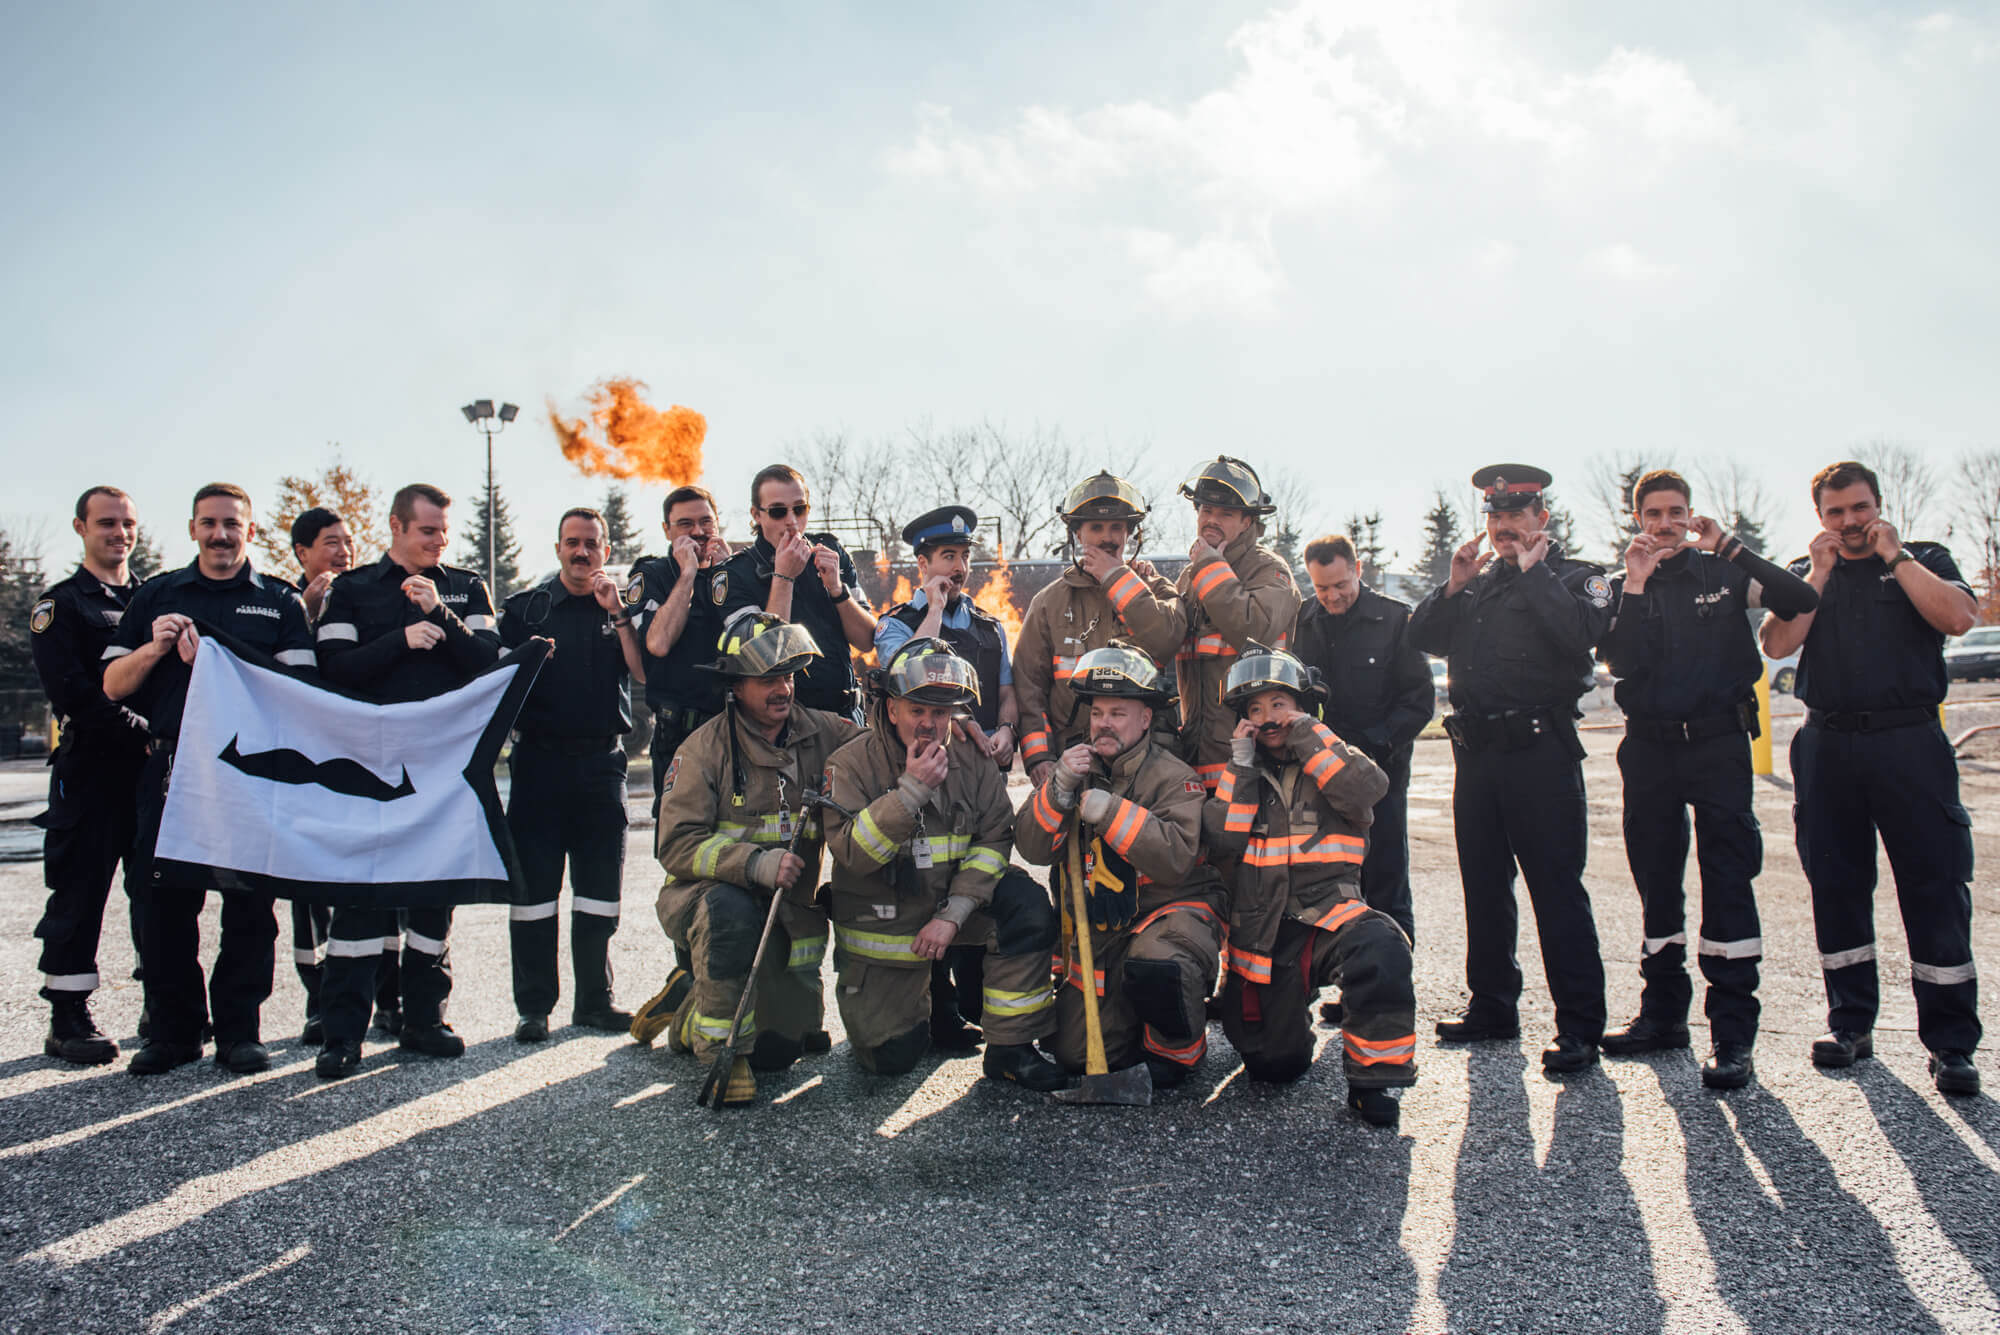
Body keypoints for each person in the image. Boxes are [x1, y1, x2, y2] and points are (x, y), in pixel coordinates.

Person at [1759, 460, 1982, 1096]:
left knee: (1935, 886)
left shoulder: (1924, 556)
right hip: (1828, 745)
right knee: (1836, 885)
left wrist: (1897, 557)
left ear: (1878, 506)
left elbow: (1959, 618)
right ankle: (1850, 1025)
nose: (1850, 521)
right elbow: (1776, 644)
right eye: (1836, 512)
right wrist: (1817, 573)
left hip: (1909, 743)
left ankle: (1951, 1044)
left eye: (1860, 508)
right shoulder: (1806, 571)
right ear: (1820, 517)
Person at [1598, 470, 1820, 1089]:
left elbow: (1800, 599)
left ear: (1691, 514)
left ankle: (1733, 1035)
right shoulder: (1622, 585)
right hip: (1649, 748)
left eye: (1676, 512)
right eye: (1654, 514)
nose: (1665, 524)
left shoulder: (1723, 571)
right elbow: (1619, 660)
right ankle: (1663, 1017)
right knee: (1656, 880)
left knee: (1727, 878)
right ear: (1639, 520)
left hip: (1719, 743)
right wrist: (1635, 582)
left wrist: (1729, 546)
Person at [102, 483, 316, 1075]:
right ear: (192, 528)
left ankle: (240, 1032)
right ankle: (174, 1033)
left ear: (251, 531)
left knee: (250, 906)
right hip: (172, 767)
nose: (221, 535)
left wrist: (219, 661)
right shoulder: (157, 595)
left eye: (232, 524)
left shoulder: (280, 601)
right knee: (161, 903)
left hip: (251, 772)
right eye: (209, 523)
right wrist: (153, 649)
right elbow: (113, 685)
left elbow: (302, 693)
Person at [1407, 464, 1611, 1073]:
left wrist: (1533, 571)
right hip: (1477, 756)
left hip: (1540, 755)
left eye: (1516, 515)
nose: (1503, 526)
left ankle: (1580, 1026)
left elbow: (1579, 634)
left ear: (1541, 518)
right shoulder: (1478, 582)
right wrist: (1452, 585)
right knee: (1485, 887)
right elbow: (1423, 636)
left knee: (1556, 891)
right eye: (1495, 516)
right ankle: (1493, 1005)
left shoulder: (1575, 577)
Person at [311, 483, 500, 1079]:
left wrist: (439, 614)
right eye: (427, 531)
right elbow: (331, 671)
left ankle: (425, 1020)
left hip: (444, 771)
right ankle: (343, 1035)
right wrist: (400, 640)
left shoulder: (466, 586)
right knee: (358, 904)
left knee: (432, 902)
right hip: (368, 768)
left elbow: (491, 664)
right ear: (395, 526)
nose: (439, 541)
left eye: (443, 530)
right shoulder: (353, 589)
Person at [821, 639, 1066, 1090]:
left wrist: (954, 913)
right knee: (891, 1057)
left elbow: (994, 838)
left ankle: (1011, 1048)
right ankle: (934, 1002)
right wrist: (911, 791)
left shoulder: (972, 756)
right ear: (891, 708)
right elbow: (853, 854)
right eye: (916, 710)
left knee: (1026, 905)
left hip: (951, 917)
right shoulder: (852, 765)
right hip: (890, 931)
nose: (929, 724)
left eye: (940, 712)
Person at [651, 611, 859, 1104]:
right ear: (736, 686)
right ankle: (718, 1047)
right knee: (730, 912)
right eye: (767, 680)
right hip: (709, 903)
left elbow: (880, 751)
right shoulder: (703, 750)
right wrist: (754, 864)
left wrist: (954, 733)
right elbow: (676, 844)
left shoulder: (824, 732)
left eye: (788, 676)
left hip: (784, 913)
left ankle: (691, 996)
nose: (782, 689)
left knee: (783, 1048)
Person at [1203, 647, 1414, 1127]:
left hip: (1329, 917)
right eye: (1256, 709)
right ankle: (1293, 1017)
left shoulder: (1332, 760)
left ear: (1304, 706)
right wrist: (1239, 767)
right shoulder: (1243, 773)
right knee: (1274, 1067)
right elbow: (1223, 840)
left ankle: (1373, 1081)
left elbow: (1367, 791)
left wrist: (1310, 735)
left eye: (1279, 704)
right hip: (1265, 934)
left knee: (1381, 947)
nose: (1268, 718)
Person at [1013, 644, 1224, 1088]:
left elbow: (1175, 859)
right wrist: (1058, 788)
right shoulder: (1076, 770)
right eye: (1097, 713)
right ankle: (1134, 1026)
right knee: (1073, 1054)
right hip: (1105, 930)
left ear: (1145, 719)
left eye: (1118, 713)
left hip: (1167, 915)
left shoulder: (1173, 776)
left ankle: (1177, 1053)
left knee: (1159, 965)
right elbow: (1032, 848)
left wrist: (1110, 812)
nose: (1103, 723)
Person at [873, 504, 1020, 1050]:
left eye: (963, 557)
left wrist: (1007, 731)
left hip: (978, 776)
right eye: (947, 557)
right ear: (923, 563)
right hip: (922, 770)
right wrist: (933, 609)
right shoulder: (895, 624)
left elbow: (1006, 692)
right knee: (926, 880)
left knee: (976, 874)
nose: (958, 568)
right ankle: (938, 1010)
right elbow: (908, 670)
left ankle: (977, 1000)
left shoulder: (989, 627)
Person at [501, 508, 647, 1043]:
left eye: (591, 543)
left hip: (601, 765)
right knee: (534, 894)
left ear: (606, 550)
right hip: (537, 765)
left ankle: (594, 1003)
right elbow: (495, 684)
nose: (581, 552)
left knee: (599, 891)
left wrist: (619, 614)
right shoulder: (525, 610)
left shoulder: (623, 609)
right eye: (572, 542)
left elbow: (643, 672)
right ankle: (533, 1008)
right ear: (558, 548)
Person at [28, 485, 150, 1064]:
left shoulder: (152, 598)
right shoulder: (62, 606)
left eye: (127, 523)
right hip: (91, 775)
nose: (118, 533)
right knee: (80, 894)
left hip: (149, 775)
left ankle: (164, 1005)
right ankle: (68, 1016)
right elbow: (73, 693)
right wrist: (143, 729)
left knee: (159, 895)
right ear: (81, 528)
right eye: (106, 523)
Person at [1292, 533, 1434, 946]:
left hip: (1379, 776)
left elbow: (1419, 701)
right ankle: (1345, 974)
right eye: (1322, 588)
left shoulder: (1394, 620)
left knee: (1385, 879)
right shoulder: (1303, 621)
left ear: (1358, 569)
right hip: (1320, 777)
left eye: (1341, 585)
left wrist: (1375, 747)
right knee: (1331, 884)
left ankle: (1393, 974)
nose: (1332, 596)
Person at [1014, 471, 1182, 783]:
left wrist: (1117, 579)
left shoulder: (1156, 590)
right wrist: (1040, 756)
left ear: (1129, 533)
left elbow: (1167, 639)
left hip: (1147, 762)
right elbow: (1028, 687)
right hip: (1074, 760)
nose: (1107, 537)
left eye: (1116, 527)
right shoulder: (1049, 603)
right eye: (1096, 527)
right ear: (1077, 534)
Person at [283, 506, 373, 1046]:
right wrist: (306, 614)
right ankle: (318, 1001)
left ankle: (383, 998)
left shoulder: (363, 595)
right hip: (306, 766)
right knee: (311, 891)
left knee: (368, 883)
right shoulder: (282, 603)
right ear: (302, 552)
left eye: (347, 542)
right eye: (331, 543)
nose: (343, 552)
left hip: (356, 758)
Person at [1171, 457, 1300, 791]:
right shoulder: (1189, 577)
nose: (1212, 520)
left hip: (1252, 755)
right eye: (1206, 510)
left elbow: (1252, 630)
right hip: (1195, 753)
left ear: (1247, 521)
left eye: (1226, 513)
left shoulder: (1269, 570)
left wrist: (1210, 567)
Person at [718, 464, 876, 717]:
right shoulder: (736, 573)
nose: (791, 521)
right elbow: (765, 658)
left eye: (799, 509)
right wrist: (784, 577)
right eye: (778, 511)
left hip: (846, 713)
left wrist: (837, 590)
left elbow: (866, 641)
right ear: (757, 515)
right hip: (786, 719)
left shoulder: (831, 550)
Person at [627, 484, 731, 821]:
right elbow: (658, 643)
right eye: (686, 524)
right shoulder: (653, 574)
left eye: (706, 522)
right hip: (680, 734)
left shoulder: (733, 572)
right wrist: (688, 575)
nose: (698, 532)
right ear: (666, 530)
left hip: (737, 730)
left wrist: (728, 574)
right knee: (680, 834)